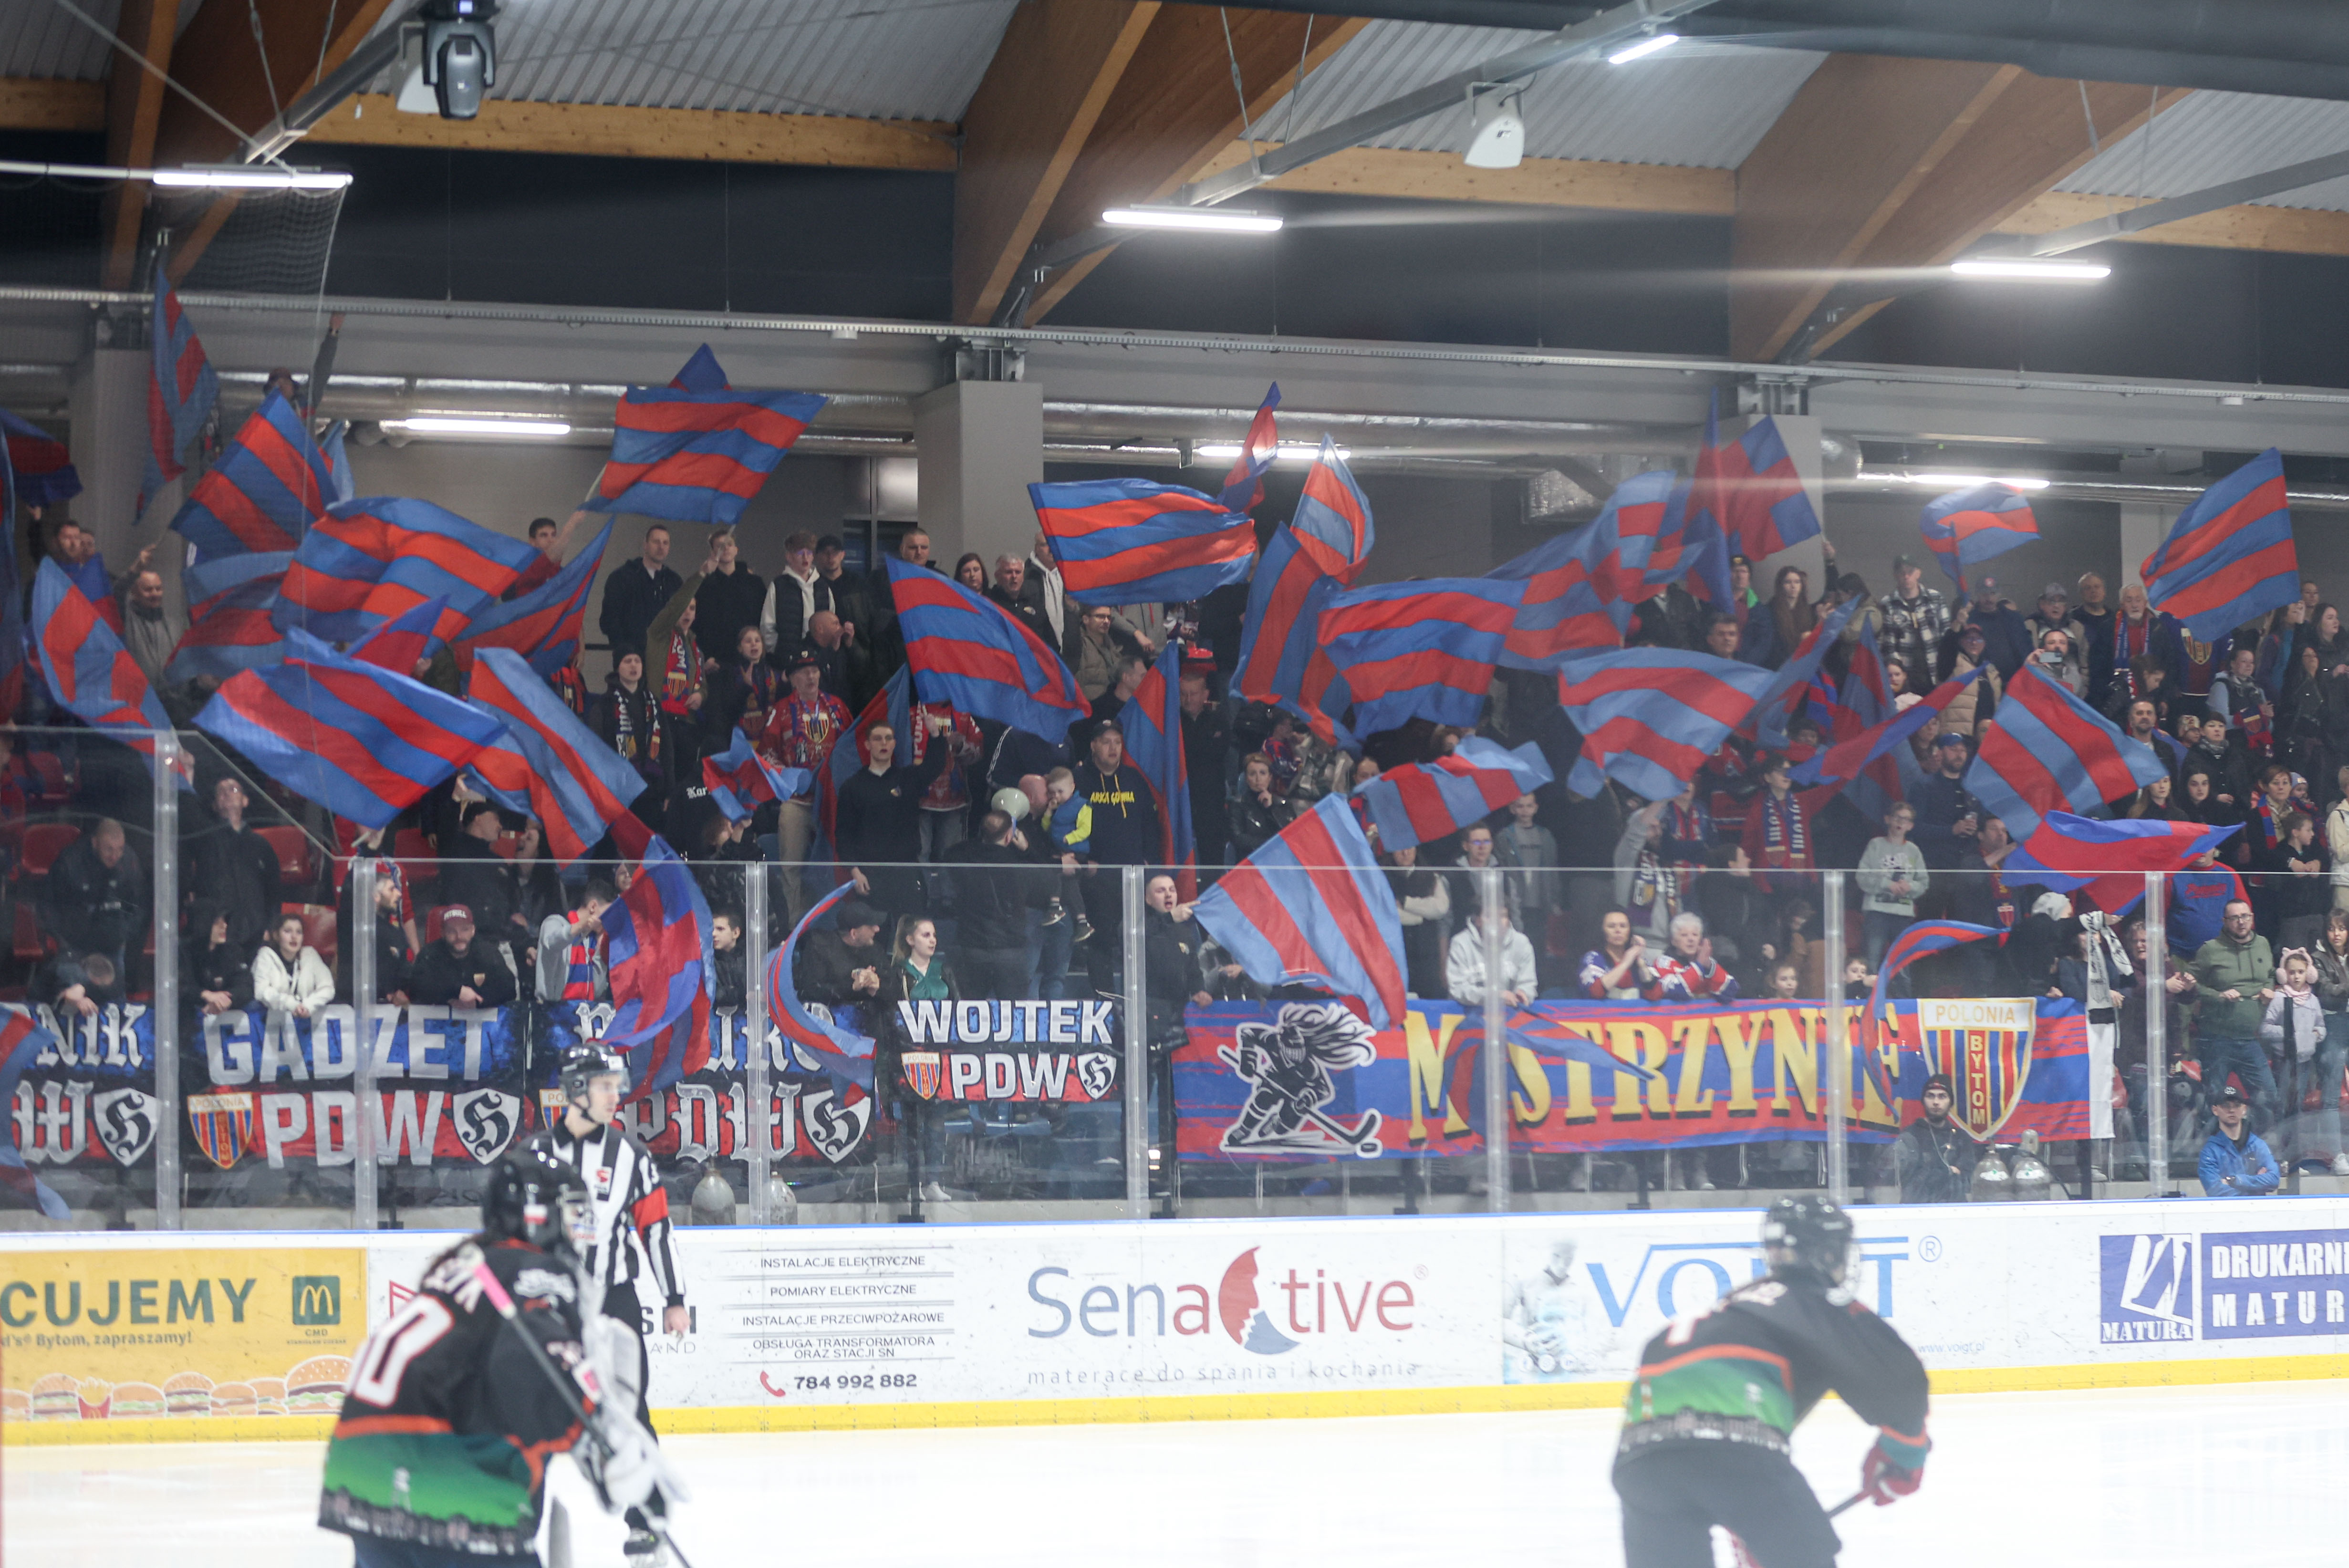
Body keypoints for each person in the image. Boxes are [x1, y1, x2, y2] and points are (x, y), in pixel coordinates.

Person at [317, 1148, 669, 1566]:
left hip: (359, 1476)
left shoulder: (461, 1264)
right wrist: (595, 1434)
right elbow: (522, 1364)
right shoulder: (538, 1268)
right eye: (573, 1213)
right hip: (445, 1483)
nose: (581, 1229)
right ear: (538, 1214)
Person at [1612, 1197, 1929, 1568]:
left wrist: (1749, 1522)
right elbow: (1899, 1381)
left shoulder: (1733, 1307)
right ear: (1830, 1253)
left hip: (1640, 1463)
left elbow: (1695, 1444)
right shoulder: (1814, 1302)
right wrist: (1906, 1451)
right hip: (1739, 1455)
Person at [530, 1046, 690, 1564]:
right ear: (577, 1089)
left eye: (615, 1084)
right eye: (604, 1085)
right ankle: (518, 1521)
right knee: (529, 1410)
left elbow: (656, 1229)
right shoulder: (535, 1156)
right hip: (553, 1303)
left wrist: (674, 1298)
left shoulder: (631, 1156)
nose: (615, 1094)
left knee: (630, 1411)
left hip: (616, 1298)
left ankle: (646, 1522)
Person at [837, 712, 953, 921]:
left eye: (888, 738)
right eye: (877, 739)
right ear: (867, 745)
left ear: (894, 744)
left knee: (911, 933)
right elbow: (844, 834)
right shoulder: (852, 787)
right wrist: (855, 872)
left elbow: (934, 766)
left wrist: (935, 734)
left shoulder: (908, 778)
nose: (884, 743)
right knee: (875, 934)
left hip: (906, 870)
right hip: (871, 874)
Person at [2193, 899, 2278, 1128]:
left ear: (2252, 918)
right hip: (2217, 1039)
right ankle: (2213, 1148)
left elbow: (2271, 973)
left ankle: (2260, 1146)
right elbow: (2190, 985)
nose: (2241, 922)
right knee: (2214, 1101)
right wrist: (2218, 995)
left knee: (2268, 1098)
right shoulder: (2210, 949)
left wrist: (2269, 987)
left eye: (2245, 916)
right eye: (2235, 918)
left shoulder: (2263, 944)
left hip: (2250, 1039)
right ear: (2225, 921)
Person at [187, 777, 287, 954]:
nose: (227, 794)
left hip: (256, 934)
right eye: (221, 791)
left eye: (233, 790)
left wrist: (271, 928)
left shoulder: (261, 845)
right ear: (215, 805)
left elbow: (274, 892)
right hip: (218, 934)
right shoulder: (204, 840)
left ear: (245, 801)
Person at [42, 816, 146, 973]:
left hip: (114, 946)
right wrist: (64, 940)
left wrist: (123, 935)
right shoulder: (70, 863)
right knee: (75, 984)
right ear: (95, 843)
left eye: (120, 849)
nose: (115, 856)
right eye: (109, 849)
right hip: (75, 947)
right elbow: (49, 905)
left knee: (114, 987)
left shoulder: (129, 863)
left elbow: (139, 906)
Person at [599, 522, 682, 665]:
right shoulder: (622, 577)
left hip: (667, 659)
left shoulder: (675, 582)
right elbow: (609, 619)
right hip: (632, 659)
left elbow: (683, 619)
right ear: (645, 545)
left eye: (665, 543)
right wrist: (623, 650)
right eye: (656, 542)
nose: (661, 547)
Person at [1856, 803, 1928, 966]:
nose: (1901, 822)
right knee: (1872, 960)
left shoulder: (1914, 850)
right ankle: (1871, 985)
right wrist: (1887, 884)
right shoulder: (1875, 845)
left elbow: (1924, 883)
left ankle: (1901, 986)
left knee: (1902, 963)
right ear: (1888, 819)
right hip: (1876, 912)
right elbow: (1862, 877)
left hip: (1903, 914)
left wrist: (1910, 887)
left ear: (1911, 826)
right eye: (1897, 817)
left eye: (1906, 819)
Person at [409, 905, 520, 1009]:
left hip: (480, 1017)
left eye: (465, 930)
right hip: (438, 1018)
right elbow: (416, 989)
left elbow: (509, 990)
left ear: (473, 930)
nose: (459, 937)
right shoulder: (429, 954)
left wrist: (478, 1002)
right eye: (451, 931)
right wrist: (455, 992)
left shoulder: (488, 953)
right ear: (443, 933)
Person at [1894, 1072, 1979, 1204]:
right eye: (1930, 1096)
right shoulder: (1910, 1135)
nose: (1936, 1102)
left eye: (1942, 1096)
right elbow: (1910, 1179)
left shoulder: (1961, 1138)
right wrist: (1949, 1172)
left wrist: (1936, 1173)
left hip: (1955, 1209)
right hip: (1917, 1209)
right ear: (1923, 1101)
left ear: (1951, 1102)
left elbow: (1968, 1178)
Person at [2307, 911, 2349, 1175]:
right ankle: (2337, 1156)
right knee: (2332, 1092)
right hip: (2332, 1022)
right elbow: (2325, 991)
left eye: (2342, 928)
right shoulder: (2317, 958)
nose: (2337, 934)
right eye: (2332, 928)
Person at [690, 528, 766, 669]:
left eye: (729, 544)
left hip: (750, 660)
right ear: (713, 552)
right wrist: (705, 657)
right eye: (720, 546)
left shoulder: (755, 584)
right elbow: (697, 625)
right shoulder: (703, 587)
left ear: (736, 550)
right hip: (716, 662)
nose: (725, 548)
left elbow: (764, 620)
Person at [537, 879, 618, 1005]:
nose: (610, 920)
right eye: (608, 913)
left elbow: (597, 991)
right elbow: (552, 943)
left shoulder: (593, 938)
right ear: (593, 907)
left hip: (585, 1010)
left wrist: (600, 951)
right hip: (553, 1009)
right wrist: (581, 926)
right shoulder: (555, 923)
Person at [1387, 844, 1452, 999]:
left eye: (1410, 848)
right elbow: (1384, 913)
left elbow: (1440, 908)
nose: (1406, 853)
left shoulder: (1432, 877)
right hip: (1395, 952)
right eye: (1400, 849)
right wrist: (1421, 916)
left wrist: (1406, 903)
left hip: (1427, 955)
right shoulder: (1382, 877)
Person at [795, 899, 886, 1007]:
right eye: (871, 926)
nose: (877, 929)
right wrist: (853, 987)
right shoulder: (820, 948)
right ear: (854, 934)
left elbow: (893, 988)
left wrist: (876, 988)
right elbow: (812, 991)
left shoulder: (875, 950)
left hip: (866, 1013)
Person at [1447, 903, 1537, 1011]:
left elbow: (1528, 983)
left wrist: (1523, 993)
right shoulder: (1461, 943)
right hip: (1466, 1013)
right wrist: (1493, 997)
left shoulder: (1522, 943)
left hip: (1512, 1013)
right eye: (1490, 916)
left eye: (1503, 916)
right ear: (1478, 920)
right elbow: (1457, 988)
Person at [2198, 1085, 2280, 1196]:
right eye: (2226, 1106)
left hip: (2257, 1207)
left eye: (2237, 1105)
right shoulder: (2209, 1152)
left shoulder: (2258, 1145)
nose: (2232, 1110)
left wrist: (2235, 1181)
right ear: (2215, 1110)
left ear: (2244, 1110)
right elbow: (2215, 1191)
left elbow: (2274, 1180)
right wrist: (2257, 1186)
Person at [252, 911, 334, 1019]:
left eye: (299, 932)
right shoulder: (265, 956)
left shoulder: (310, 955)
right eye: (288, 931)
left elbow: (328, 988)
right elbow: (261, 991)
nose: (294, 937)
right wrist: (290, 1004)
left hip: (304, 1023)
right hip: (269, 1022)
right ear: (276, 936)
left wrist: (308, 1006)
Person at [1879, 554, 1950, 678]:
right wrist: (1898, 674)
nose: (1906, 576)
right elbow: (1889, 645)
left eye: (1910, 572)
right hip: (1905, 676)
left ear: (1918, 573)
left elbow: (1947, 635)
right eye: (1902, 573)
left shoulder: (1936, 598)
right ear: (1895, 575)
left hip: (1935, 672)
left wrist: (1945, 668)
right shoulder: (1888, 603)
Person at [1739, 566, 1815, 670]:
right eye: (1788, 582)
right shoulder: (1770, 611)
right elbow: (1771, 644)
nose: (1793, 586)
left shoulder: (1808, 610)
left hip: (1801, 665)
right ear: (1781, 585)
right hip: (1777, 666)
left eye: (1797, 582)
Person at [186, 901, 253, 1017]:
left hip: (223, 1016)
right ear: (202, 925)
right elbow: (180, 987)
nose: (225, 926)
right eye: (217, 923)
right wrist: (205, 995)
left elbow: (245, 986)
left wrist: (226, 1000)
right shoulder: (184, 952)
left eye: (225, 921)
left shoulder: (233, 951)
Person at [1653, 912, 1736, 1002]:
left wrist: (1710, 967)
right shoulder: (1663, 963)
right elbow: (1677, 992)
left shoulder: (1706, 962)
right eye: (1684, 935)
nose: (1691, 939)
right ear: (1674, 941)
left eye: (1695, 935)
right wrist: (1699, 966)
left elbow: (1731, 991)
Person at [1580, 908, 1659, 1000]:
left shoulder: (1639, 960)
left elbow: (1655, 995)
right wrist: (1625, 964)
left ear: (1630, 931)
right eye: (1611, 926)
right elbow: (1596, 992)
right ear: (1602, 931)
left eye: (1623, 926)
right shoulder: (1593, 957)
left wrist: (1641, 964)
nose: (1618, 931)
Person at [1227, 751, 1285, 860]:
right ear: (1246, 779)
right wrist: (1270, 845)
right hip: (1250, 862)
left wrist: (1270, 809)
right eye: (1253, 774)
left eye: (1263, 773)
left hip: (1278, 861)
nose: (1258, 779)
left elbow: (1288, 837)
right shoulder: (1237, 805)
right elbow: (1238, 839)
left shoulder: (1282, 804)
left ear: (1270, 777)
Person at [987, 554, 1051, 642]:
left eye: (1018, 572)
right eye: (1009, 572)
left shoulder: (1034, 602)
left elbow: (1050, 640)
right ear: (997, 576)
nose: (1014, 576)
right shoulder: (989, 604)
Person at [710, 908, 747, 1010]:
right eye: (711, 929)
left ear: (736, 933)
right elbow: (715, 995)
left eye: (720, 929)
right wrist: (743, 994)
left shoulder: (751, 958)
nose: (714, 934)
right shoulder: (707, 960)